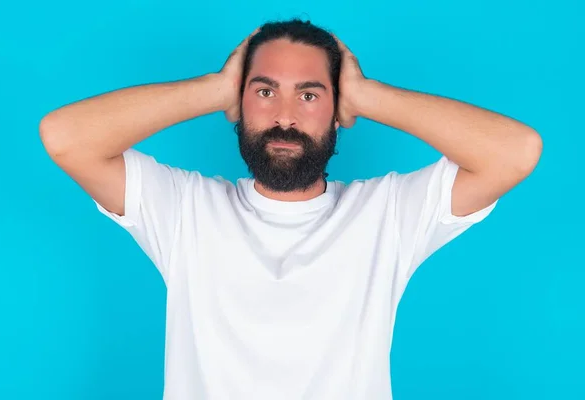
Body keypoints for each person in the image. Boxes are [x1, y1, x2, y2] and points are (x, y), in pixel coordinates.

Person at [39, 18, 542, 400]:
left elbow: (515, 151)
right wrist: (215, 88)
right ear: (241, 102)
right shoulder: (184, 208)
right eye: (264, 91)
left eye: (308, 95)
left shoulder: (387, 214)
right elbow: (65, 138)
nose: (284, 117)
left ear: (336, 109)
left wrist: (368, 96)